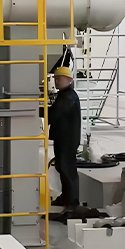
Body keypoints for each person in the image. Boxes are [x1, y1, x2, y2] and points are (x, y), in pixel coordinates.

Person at [48, 66, 82, 215]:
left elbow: (54, 114)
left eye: (59, 79)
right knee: (62, 168)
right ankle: (66, 198)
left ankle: (72, 203)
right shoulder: (64, 95)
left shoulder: (68, 97)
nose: (56, 82)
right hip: (63, 138)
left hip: (67, 140)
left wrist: (38, 111)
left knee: (67, 169)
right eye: (55, 79)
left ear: (69, 80)